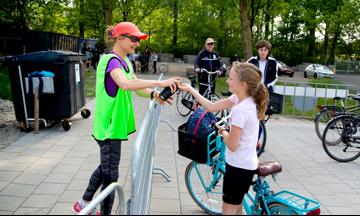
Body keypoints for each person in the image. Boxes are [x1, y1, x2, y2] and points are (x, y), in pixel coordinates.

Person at [71, 22, 181, 215]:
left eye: (137, 40)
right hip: (109, 128)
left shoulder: (125, 62)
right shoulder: (110, 60)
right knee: (111, 177)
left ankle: (83, 204)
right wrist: (160, 82)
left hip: (114, 127)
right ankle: (97, 210)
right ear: (119, 38)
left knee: (106, 167)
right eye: (133, 39)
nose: (137, 43)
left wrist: (154, 94)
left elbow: (136, 87)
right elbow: (125, 84)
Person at [179, 62, 269, 215]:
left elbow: (232, 145)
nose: (227, 80)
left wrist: (223, 132)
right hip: (247, 164)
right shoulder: (244, 100)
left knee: (228, 211)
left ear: (243, 84)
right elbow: (212, 107)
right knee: (238, 207)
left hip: (238, 167)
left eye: (231, 78)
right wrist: (191, 90)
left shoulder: (241, 109)